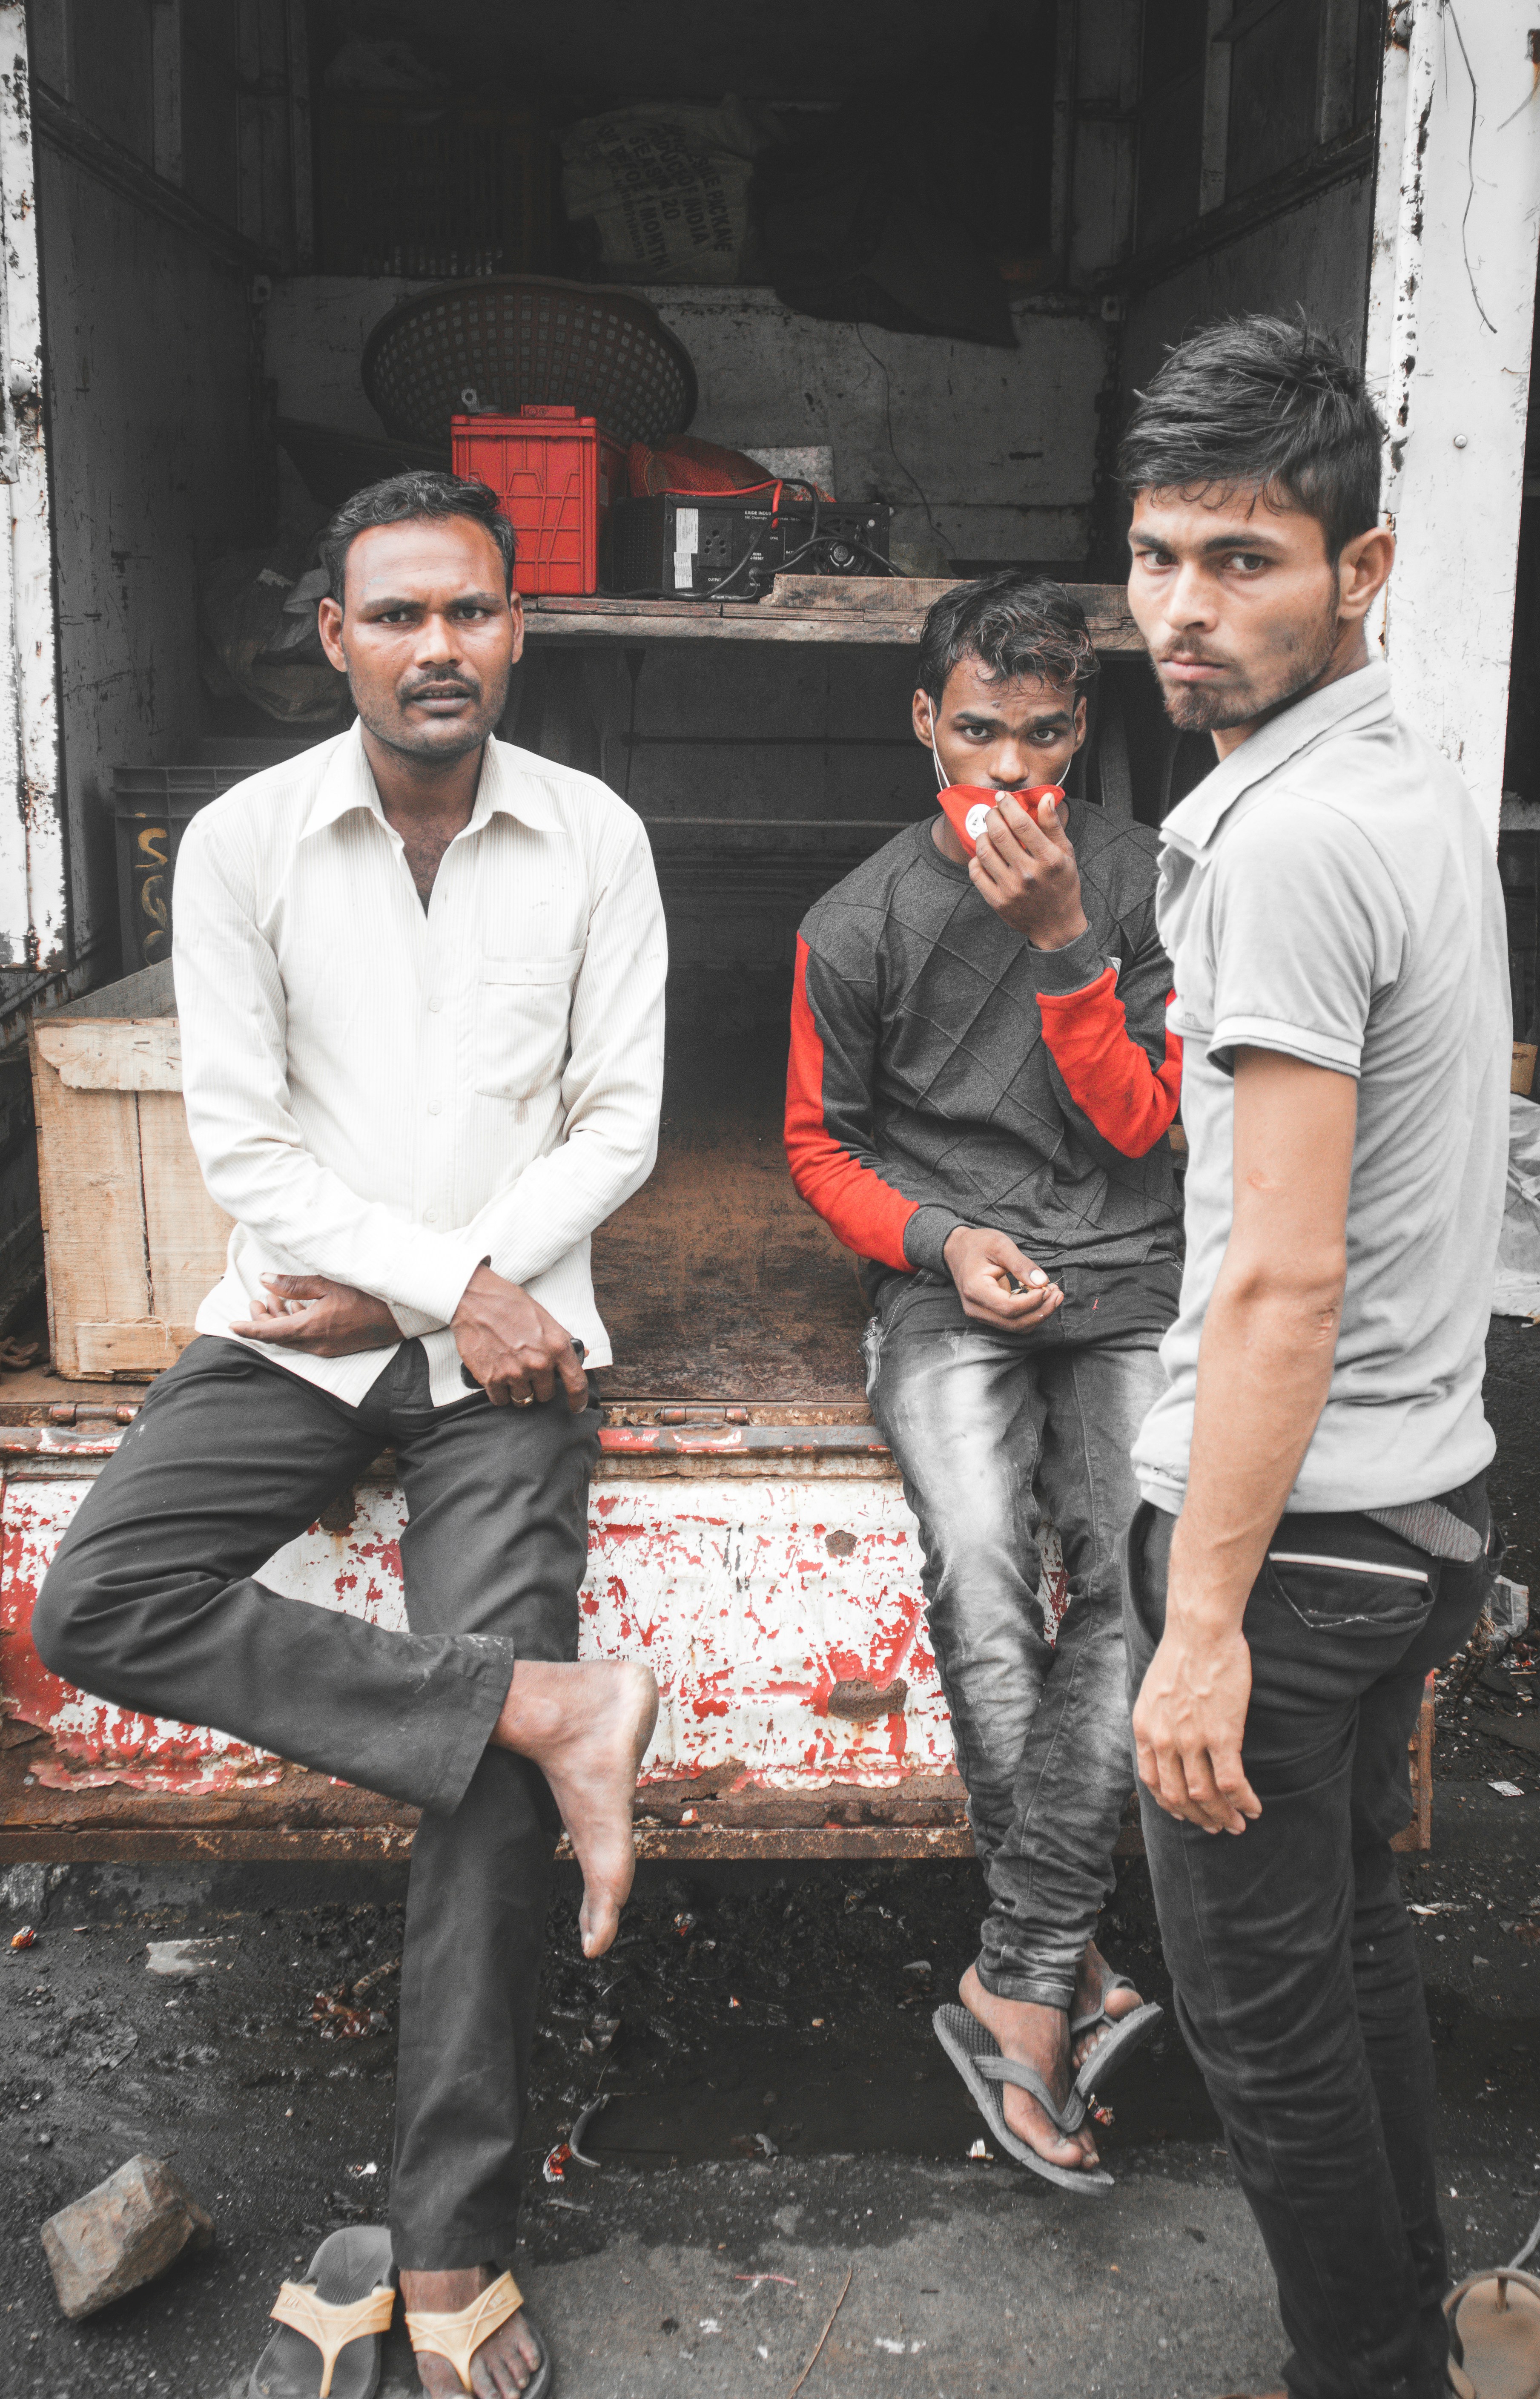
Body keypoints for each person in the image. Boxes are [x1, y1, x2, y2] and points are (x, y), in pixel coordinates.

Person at [32, 471, 668, 2399]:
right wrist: (421, 1285)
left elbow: (621, 1123)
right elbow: (242, 1147)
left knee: (463, 1771)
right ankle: (558, 1706)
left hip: (505, 1342)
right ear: (335, 638)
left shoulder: (597, 839)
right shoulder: (238, 845)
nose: (436, 648)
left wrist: (447, 1295)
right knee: (96, 1600)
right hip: (293, 1327)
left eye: (468, 612)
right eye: (395, 616)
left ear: (515, 627)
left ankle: (457, 2237)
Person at [1120, 316, 1508, 2399]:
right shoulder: (1394, 776)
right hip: (1406, 1497)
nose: (1184, 609)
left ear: (1357, 572)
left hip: (1294, 1536)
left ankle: (1367, 2371)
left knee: (1257, 2022)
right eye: (1160, 554)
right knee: (1343, 1953)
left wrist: (1198, 1622)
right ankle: (1409, 2325)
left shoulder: (1278, 843)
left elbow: (1277, 1273)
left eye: (1243, 560)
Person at [785, 571, 1182, 2188]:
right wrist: (941, 1240)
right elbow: (822, 1144)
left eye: (1038, 738)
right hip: (951, 1284)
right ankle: (1056, 1964)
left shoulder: (1150, 886)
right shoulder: (855, 920)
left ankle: (1017, 1971)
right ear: (922, 726)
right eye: (974, 736)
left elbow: (1151, 1126)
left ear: (1079, 730)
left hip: (1135, 1273)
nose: (1007, 777)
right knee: (977, 1559)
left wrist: (1063, 945)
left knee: (1137, 1566)